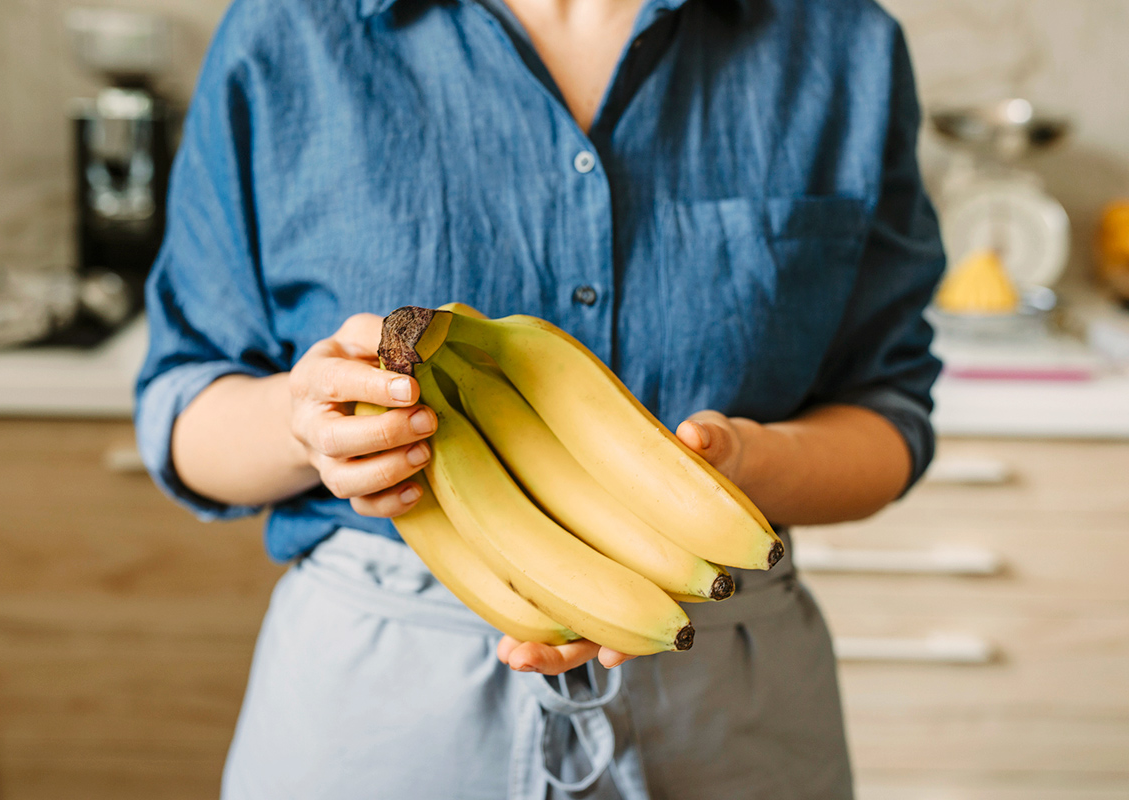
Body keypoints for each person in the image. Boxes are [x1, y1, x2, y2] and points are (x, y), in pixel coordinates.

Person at [134, 0, 945, 795]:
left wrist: (743, 469)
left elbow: (889, 408)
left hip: (723, 684)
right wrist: (301, 425)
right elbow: (183, 404)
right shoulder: (288, 30)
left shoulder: (841, 41)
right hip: (382, 702)